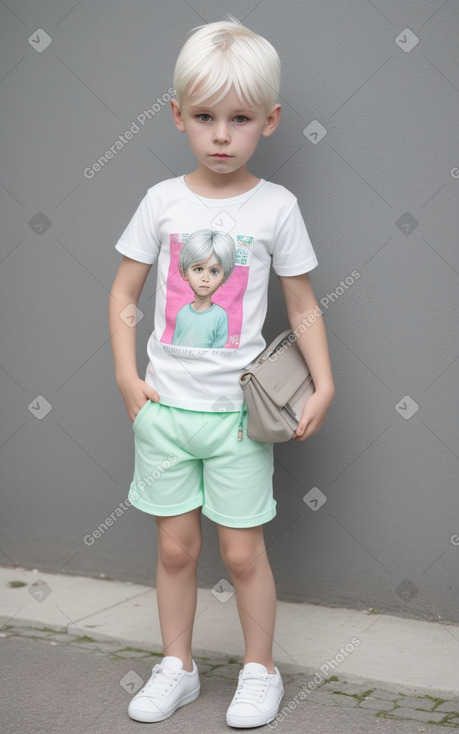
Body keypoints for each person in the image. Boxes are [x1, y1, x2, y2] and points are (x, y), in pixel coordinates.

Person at [109, 17, 334, 729]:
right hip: (165, 412)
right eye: (204, 117)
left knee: (241, 553)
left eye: (239, 119)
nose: (220, 135)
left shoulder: (276, 208)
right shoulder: (160, 202)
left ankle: (259, 670)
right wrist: (127, 380)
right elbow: (123, 295)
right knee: (175, 547)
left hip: (240, 418)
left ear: (267, 122)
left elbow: (301, 304)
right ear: (177, 115)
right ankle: (175, 667)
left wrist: (324, 382)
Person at [172, 228, 236, 348]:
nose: (205, 278)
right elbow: (175, 342)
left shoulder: (220, 316)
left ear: (224, 276)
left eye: (214, 271)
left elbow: (220, 347)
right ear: (184, 273)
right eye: (198, 269)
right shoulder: (182, 313)